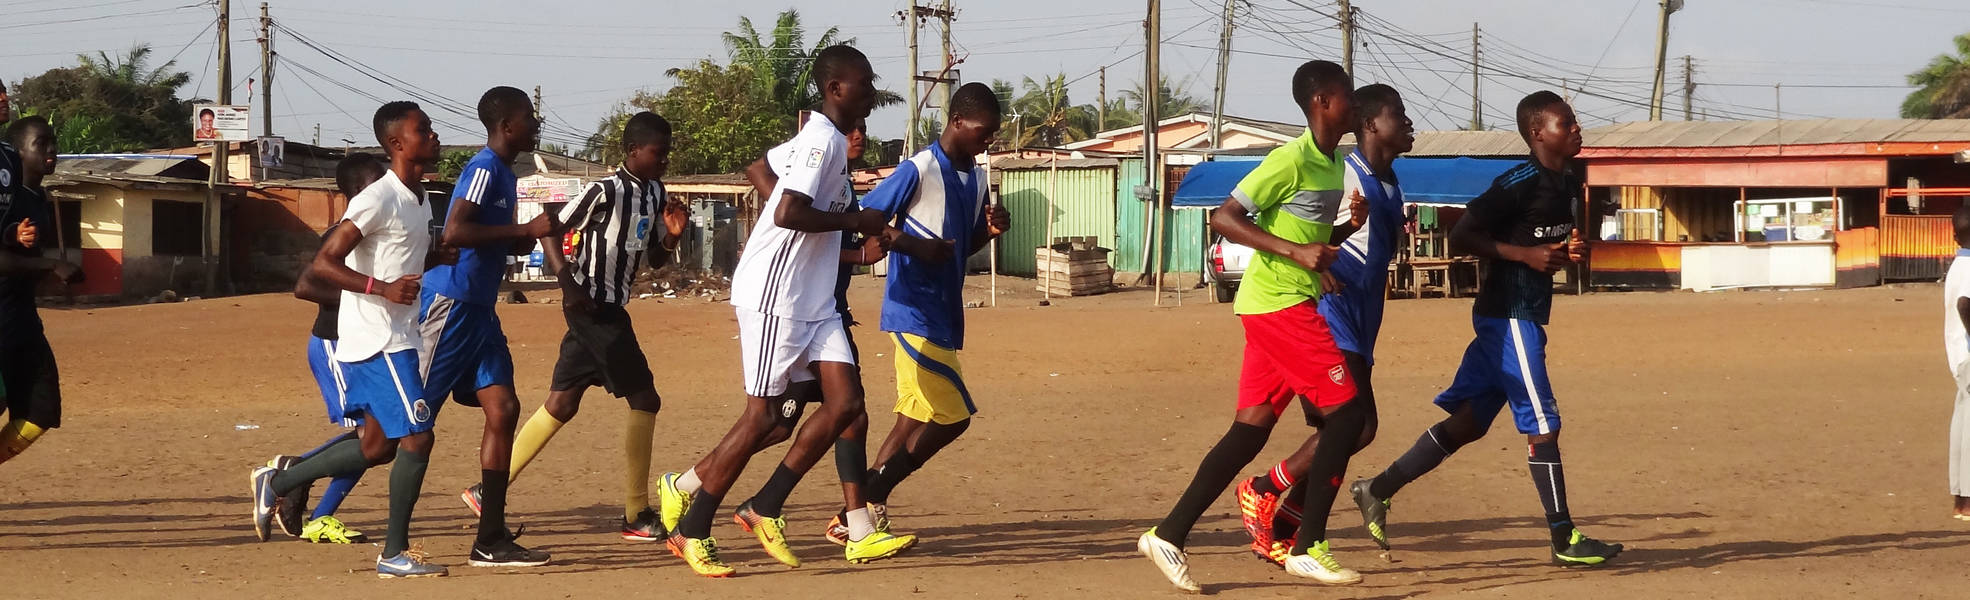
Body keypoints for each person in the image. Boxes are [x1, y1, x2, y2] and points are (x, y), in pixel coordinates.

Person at [653, 45, 912, 578]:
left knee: (848, 405)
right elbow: (791, 212)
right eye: (865, 81)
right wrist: (856, 222)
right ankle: (692, 527)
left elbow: (766, 171)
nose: (872, 90)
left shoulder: (825, 141)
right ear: (837, 89)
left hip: (814, 302)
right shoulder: (820, 141)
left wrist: (847, 234)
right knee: (765, 419)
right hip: (777, 297)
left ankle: (767, 506)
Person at [1349, 91, 1624, 568]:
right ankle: (1563, 538)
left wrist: (1568, 252)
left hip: (1525, 313)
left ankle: (1377, 488)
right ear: (1538, 133)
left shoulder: (1567, 181)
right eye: (1568, 122)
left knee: (1470, 423)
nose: (1578, 129)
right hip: (1509, 316)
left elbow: (1546, 243)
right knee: (1544, 426)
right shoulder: (1517, 181)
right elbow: (1463, 235)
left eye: (1576, 122)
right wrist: (1527, 256)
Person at [1137, 59, 1373, 591]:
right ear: (1322, 102)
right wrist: (1298, 252)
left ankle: (1168, 534)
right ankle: (1308, 545)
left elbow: (1303, 234)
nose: (1354, 104)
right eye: (1346, 95)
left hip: (1284, 300)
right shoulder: (1288, 159)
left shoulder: (1333, 163)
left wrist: (1337, 236)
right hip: (1278, 306)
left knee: (1249, 431)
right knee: (1348, 416)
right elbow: (1224, 218)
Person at [251, 101, 446, 578]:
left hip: (399, 335)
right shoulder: (376, 198)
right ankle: (393, 554)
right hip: (377, 341)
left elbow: (400, 257)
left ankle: (280, 480)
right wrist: (381, 289)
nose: (435, 136)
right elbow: (322, 264)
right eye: (425, 130)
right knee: (418, 436)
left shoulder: (419, 199)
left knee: (377, 446)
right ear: (398, 143)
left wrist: (445, 254)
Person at [483, 111, 689, 541]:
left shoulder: (654, 192)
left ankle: (487, 490)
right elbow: (550, 228)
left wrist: (671, 235)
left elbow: (652, 257)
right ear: (634, 151)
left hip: (608, 307)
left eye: (667, 154)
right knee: (646, 398)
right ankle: (635, 513)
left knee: (562, 403)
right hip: (592, 305)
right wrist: (566, 284)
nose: (664, 161)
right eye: (658, 153)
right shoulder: (604, 190)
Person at [1234, 83, 1413, 564]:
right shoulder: (1344, 171)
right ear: (1372, 124)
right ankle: (1269, 493)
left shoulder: (1391, 181)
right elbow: (1300, 231)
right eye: (1400, 114)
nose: (1410, 123)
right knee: (1354, 426)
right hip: (1328, 315)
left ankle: (1286, 527)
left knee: (1348, 430)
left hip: (1363, 319)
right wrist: (1318, 268)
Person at [853, 82, 1009, 541]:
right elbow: (868, 219)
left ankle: (859, 517)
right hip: (912, 310)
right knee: (953, 417)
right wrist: (913, 244)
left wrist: (990, 232)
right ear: (957, 121)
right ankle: (861, 501)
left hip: (944, 313)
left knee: (913, 418)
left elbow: (959, 249)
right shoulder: (919, 168)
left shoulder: (977, 178)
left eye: (993, 135)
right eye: (983, 132)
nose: (988, 142)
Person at [740, 119, 886, 547]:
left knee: (850, 410)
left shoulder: (843, 183)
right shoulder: (815, 155)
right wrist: (859, 252)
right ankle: (694, 487)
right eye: (850, 128)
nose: (857, 135)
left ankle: (856, 526)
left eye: (863, 128)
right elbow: (765, 180)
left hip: (826, 310)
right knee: (770, 423)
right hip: (796, 309)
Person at [427, 86, 555, 568]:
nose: (536, 124)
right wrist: (525, 232)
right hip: (451, 306)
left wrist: (537, 236)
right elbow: (456, 232)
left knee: (503, 408)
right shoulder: (483, 169)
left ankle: (490, 539)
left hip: (480, 310)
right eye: (529, 116)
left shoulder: (506, 173)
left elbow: (498, 242)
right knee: (399, 429)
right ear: (506, 126)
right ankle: (291, 477)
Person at [262, 153, 393, 545]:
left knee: (381, 439)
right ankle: (293, 478)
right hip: (335, 344)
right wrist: (365, 295)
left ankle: (310, 500)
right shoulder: (342, 232)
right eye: (377, 181)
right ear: (356, 191)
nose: (386, 187)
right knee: (375, 440)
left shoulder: (381, 228)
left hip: (367, 344)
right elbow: (305, 286)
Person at [0, 116, 85, 466]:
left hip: (23, 320)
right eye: (42, 143)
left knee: (40, 411)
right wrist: (49, 265)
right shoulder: (10, 198)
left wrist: (54, 274)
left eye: (54, 142)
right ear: (18, 153)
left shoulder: (39, 198)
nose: (52, 150)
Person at [1945, 201, 1970, 521]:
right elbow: (1966, 304)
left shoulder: (1958, 265)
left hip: (1960, 357)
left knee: (1963, 428)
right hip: (1968, 355)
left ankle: (1962, 500)